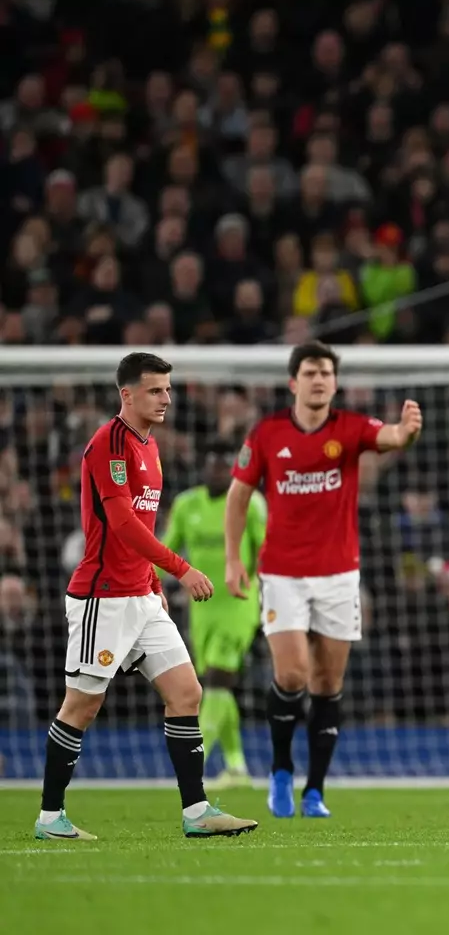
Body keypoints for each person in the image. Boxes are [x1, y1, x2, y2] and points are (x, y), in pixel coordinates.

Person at [36, 353, 257, 841]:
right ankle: (50, 816)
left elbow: (145, 523)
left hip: (142, 595)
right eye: (156, 390)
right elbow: (120, 523)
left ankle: (196, 811)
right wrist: (180, 569)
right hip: (103, 597)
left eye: (169, 390)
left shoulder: (149, 447)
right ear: (127, 394)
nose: (166, 399)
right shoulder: (108, 443)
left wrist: (155, 584)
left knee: (187, 693)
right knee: (82, 706)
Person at [224, 342, 424, 819]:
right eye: (311, 372)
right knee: (291, 673)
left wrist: (409, 431)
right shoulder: (268, 433)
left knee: (327, 683)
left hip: (338, 576)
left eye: (327, 374)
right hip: (282, 573)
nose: (319, 380)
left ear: (335, 383)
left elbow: (391, 437)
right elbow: (237, 495)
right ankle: (278, 770)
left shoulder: (351, 428)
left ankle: (314, 790)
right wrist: (234, 560)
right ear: (294, 382)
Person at [161, 440, 267, 787]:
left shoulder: (251, 503)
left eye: (225, 466)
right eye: (213, 465)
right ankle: (236, 766)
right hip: (202, 609)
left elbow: (266, 553)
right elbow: (166, 551)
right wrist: (145, 582)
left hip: (239, 604)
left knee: (221, 678)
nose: (218, 472)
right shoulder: (186, 504)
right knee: (217, 686)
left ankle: (195, 757)